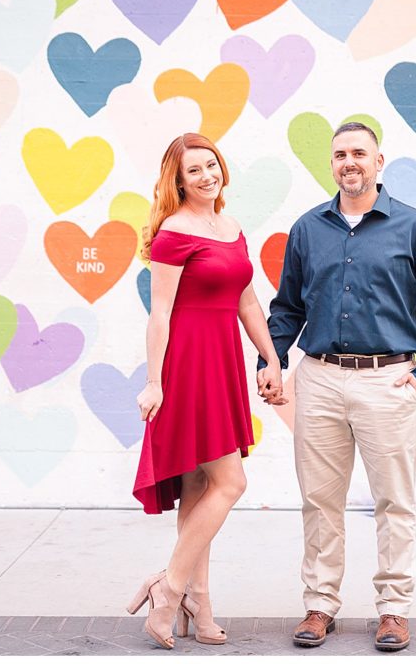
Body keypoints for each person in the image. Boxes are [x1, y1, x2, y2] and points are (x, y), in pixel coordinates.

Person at [259, 122, 416, 652]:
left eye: (359, 153)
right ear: (332, 164)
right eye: (340, 154)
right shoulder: (308, 230)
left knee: (394, 501)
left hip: (386, 380)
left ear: (378, 163)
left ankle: (394, 610)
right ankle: (320, 604)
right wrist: (271, 359)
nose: (349, 162)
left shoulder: (415, 230)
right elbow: (288, 308)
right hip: (320, 378)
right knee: (319, 500)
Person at [128, 133, 286, 649]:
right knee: (231, 482)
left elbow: (247, 301)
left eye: (211, 164)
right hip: (189, 366)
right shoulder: (174, 232)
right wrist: (154, 381)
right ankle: (169, 588)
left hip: (222, 362)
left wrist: (270, 355)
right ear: (178, 180)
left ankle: (200, 602)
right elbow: (160, 314)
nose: (206, 175)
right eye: (193, 170)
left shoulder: (232, 227)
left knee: (200, 489)